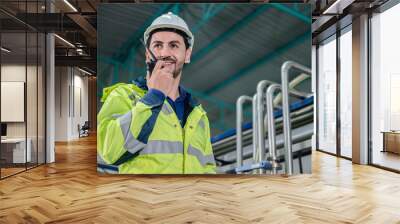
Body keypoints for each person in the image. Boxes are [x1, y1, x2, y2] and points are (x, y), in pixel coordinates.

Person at [97, 12, 216, 174]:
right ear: (147, 55)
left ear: (187, 55)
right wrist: (155, 95)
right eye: (158, 45)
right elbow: (109, 152)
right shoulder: (123, 96)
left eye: (174, 45)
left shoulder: (198, 114)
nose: (164, 53)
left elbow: (208, 168)